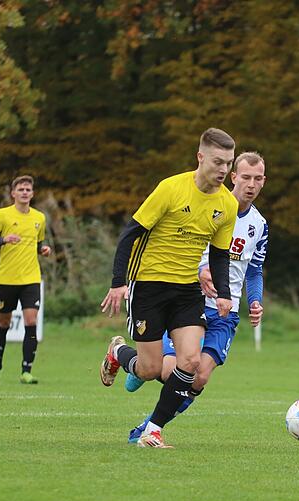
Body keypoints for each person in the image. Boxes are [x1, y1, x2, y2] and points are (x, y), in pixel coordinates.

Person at [99, 128, 239, 448]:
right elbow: (129, 235)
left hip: (187, 290)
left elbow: (219, 253)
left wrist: (225, 295)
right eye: (217, 162)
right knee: (148, 369)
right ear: (200, 157)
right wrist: (118, 283)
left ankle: (153, 431)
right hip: (148, 286)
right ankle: (118, 352)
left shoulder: (226, 205)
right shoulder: (171, 188)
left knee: (189, 362)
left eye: (228, 164)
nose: (223, 170)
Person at [124, 151, 269, 442]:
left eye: (258, 179)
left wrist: (254, 300)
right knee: (167, 369)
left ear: (264, 181)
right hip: (190, 302)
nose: (251, 185)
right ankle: (126, 357)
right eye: (245, 178)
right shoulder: (213, 206)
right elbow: (186, 248)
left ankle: (150, 428)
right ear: (234, 177)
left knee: (199, 377)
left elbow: (254, 271)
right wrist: (201, 269)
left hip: (226, 312)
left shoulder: (260, 225)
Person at [0, 175, 52, 384]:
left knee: (31, 322)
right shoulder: (3, 215)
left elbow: (38, 245)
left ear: (32, 193)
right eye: (20, 189)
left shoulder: (39, 218)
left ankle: (26, 371)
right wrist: (4, 239)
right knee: (4, 322)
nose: (24, 192)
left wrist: (43, 250)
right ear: (13, 193)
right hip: (7, 279)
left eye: (28, 189)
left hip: (31, 278)